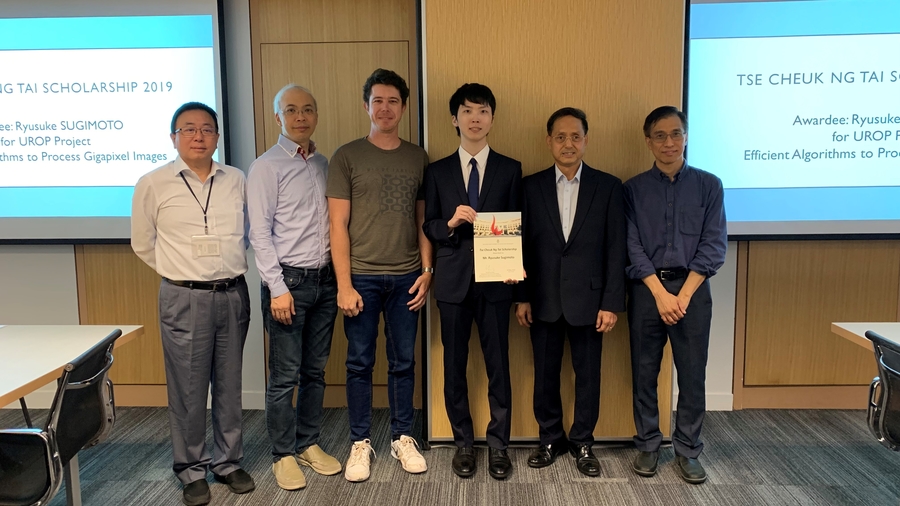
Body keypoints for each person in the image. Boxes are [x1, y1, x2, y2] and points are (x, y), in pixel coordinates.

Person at [131, 102, 254, 506]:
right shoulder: (153, 183)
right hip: (183, 296)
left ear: (218, 137)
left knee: (230, 382)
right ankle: (191, 468)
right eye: (188, 129)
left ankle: (228, 462)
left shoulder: (237, 179)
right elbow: (143, 243)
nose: (198, 136)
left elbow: (250, 234)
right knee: (187, 387)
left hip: (233, 293)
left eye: (206, 129)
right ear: (173, 138)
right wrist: (180, 273)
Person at [325, 68, 432, 482]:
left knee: (404, 362)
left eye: (393, 101)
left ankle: (403, 437)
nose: (385, 108)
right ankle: (360, 442)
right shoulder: (346, 156)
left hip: (407, 276)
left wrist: (427, 271)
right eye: (378, 100)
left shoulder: (417, 157)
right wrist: (345, 284)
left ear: (403, 107)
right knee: (359, 362)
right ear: (366, 105)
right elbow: (337, 225)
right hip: (362, 278)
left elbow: (424, 220)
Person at [516, 107, 626, 477]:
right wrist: (523, 296)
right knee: (545, 374)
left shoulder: (609, 187)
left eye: (575, 136)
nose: (568, 144)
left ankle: (582, 441)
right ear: (549, 141)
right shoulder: (529, 187)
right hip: (543, 299)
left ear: (586, 140)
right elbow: (523, 248)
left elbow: (616, 249)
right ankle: (549, 438)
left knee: (588, 375)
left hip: (591, 302)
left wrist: (612, 302)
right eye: (560, 137)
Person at [422, 83, 522, 480]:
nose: (475, 119)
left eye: (482, 111)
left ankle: (499, 445)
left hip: (498, 282)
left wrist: (516, 267)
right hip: (452, 284)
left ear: (492, 119)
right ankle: (463, 442)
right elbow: (428, 224)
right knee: (454, 365)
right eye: (467, 111)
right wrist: (450, 223)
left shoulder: (510, 168)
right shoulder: (437, 170)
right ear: (455, 119)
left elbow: (520, 226)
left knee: (499, 367)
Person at [624, 105, 727, 484]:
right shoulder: (632, 189)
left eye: (676, 134)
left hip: (693, 293)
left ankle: (687, 449)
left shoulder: (709, 185)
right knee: (644, 372)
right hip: (647, 291)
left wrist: (681, 296)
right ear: (648, 141)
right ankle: (649, 445)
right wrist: (660, 293)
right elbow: (631, 247)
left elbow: (714, 246)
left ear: (687, 136)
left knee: (692, 375)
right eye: (661, 136)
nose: (669, 142)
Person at [247, 84, 342, 491]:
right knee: (284, 376)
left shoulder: (323, 164)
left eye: (307, 109)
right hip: (289, 283)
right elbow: (259, 234)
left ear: (316, 115)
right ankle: (282, 454)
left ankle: (308, 443)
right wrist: (278, 288)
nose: (300, 116)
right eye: (291, 110)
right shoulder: (266, 167)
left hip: (325, 282)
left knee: (315, 372)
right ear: (277, 118)